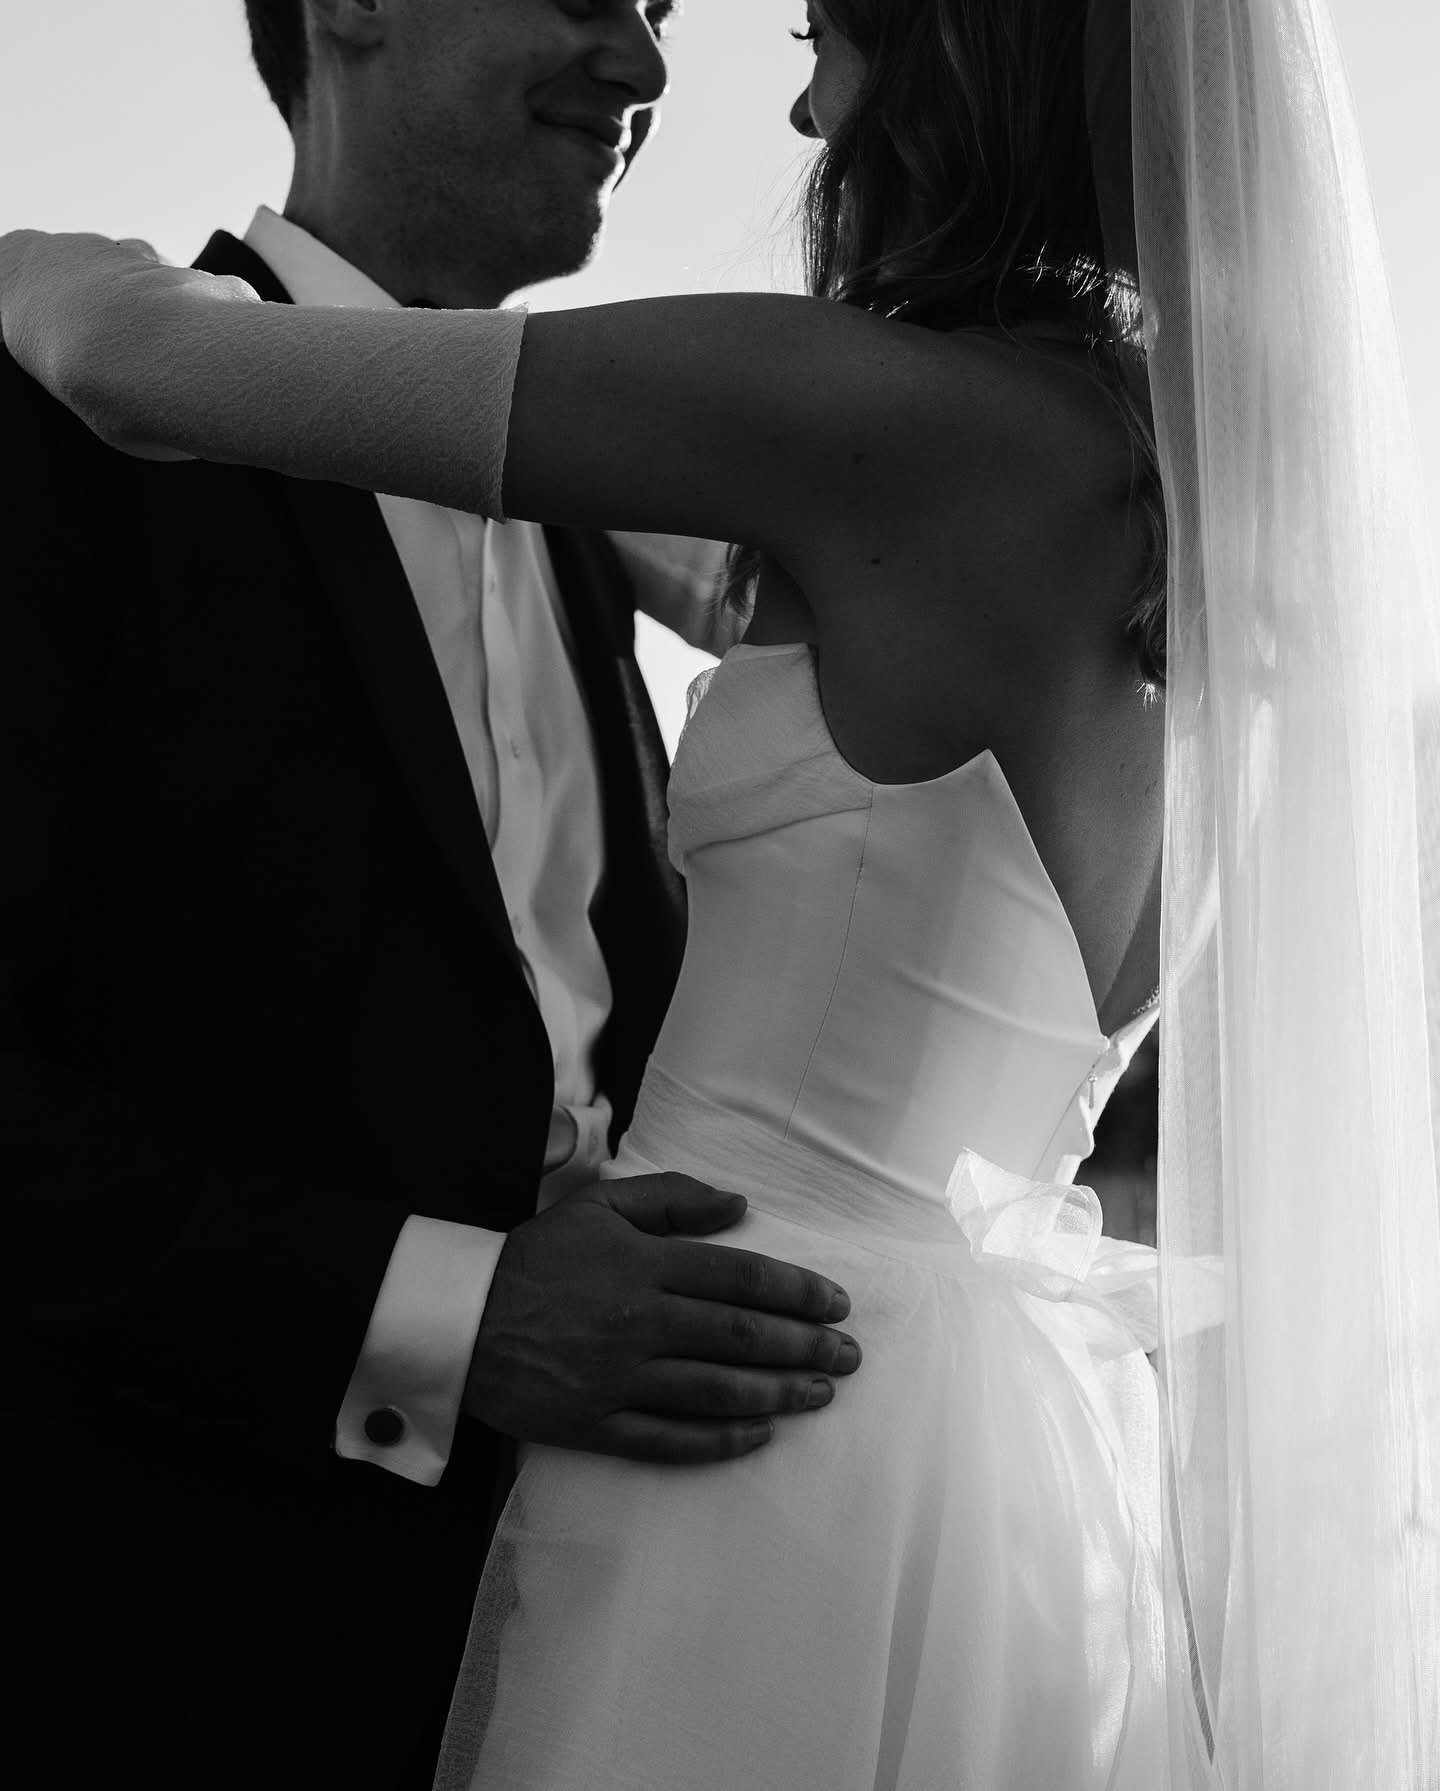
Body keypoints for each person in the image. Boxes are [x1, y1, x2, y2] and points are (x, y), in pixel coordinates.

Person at [5, 0, 1438, 1785]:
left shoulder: (819, 429)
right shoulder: (1203, 490)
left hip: (762, 1481)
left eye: (812, 23)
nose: (710, 71)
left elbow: (131, 360)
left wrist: (27, 257)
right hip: (1003, 1492)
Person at [0, 5, 866, 1789]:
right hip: (163, 1643)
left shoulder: (588, 498)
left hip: (595, 1631)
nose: (639, 66)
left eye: (660, 11)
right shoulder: (52, 436)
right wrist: (444, 1314)